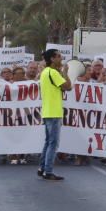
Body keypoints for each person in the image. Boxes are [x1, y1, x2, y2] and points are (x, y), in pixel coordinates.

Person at [38, 48, 71, 181]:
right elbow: (68, 86)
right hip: (54, 112)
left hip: (48, 111)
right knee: (53, 143)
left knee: (48, 142)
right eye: (58, 56)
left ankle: (42, 168)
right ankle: (48, 171)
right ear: (52, 58)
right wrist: (66, 73)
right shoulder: (52, 72)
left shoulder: (45, 72)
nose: (61, 59)